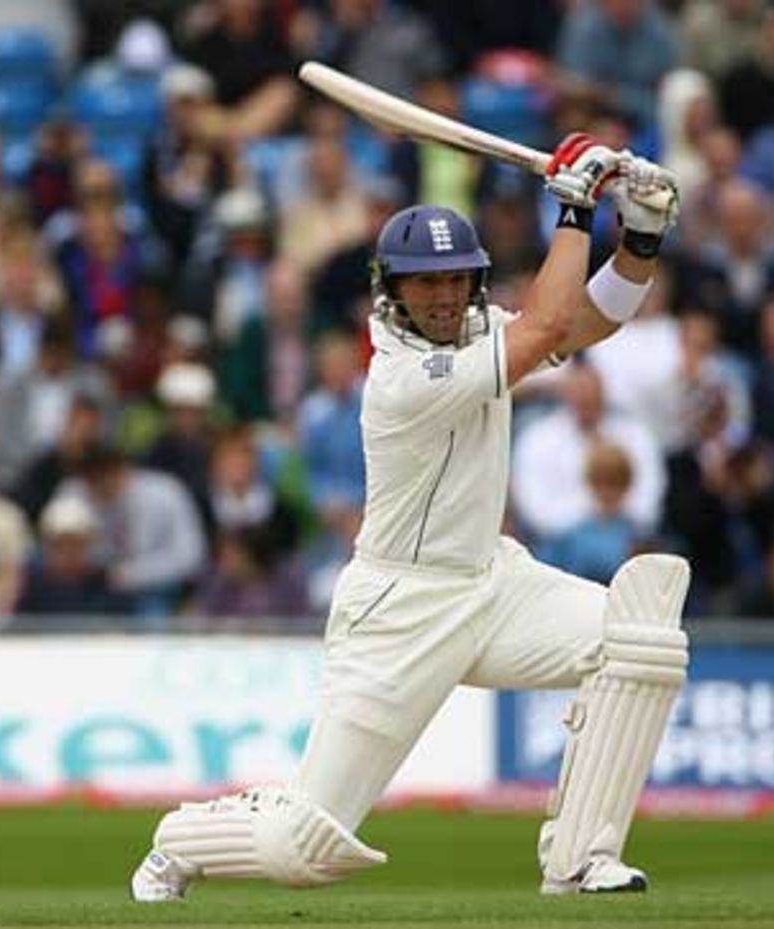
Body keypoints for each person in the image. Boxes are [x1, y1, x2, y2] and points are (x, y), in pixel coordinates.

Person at [132, 134, 690, 898]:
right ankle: (182, 839)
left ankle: (581, 860)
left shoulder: (482, 328)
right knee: (305, 846)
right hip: (398, 610)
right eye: (423, 282)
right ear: (388, 288)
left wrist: (642, 236)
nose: (442, 296)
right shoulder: (399, 378)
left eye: (456, 279)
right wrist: (572, 208)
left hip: (493, 583)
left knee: (641, 639)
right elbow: (549, 328)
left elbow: (590, 320)